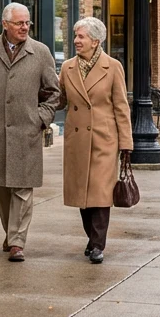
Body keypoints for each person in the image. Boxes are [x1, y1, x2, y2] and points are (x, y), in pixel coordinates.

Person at [0, 2, 60, 262]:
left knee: (22, 187)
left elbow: (53, 93)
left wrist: (40, 118)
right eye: (19, 23)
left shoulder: (40, 52)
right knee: (1, 187)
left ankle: (17, 241)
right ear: (5, 24)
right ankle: (11, 232)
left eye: (27, 22)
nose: (24, 27)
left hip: (26, 133)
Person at [56, 17, 133, 265]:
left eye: (81, 37)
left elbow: (121, 107)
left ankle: (98, 244)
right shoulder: (67, 67)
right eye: (76, 36)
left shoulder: (112, 67)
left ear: (95, 41)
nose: (76, 41)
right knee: (82, 194)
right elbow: (59, 100)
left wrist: (126, 144)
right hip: (77, 139)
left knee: (100, 193)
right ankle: (91, 238)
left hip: (104, 139)